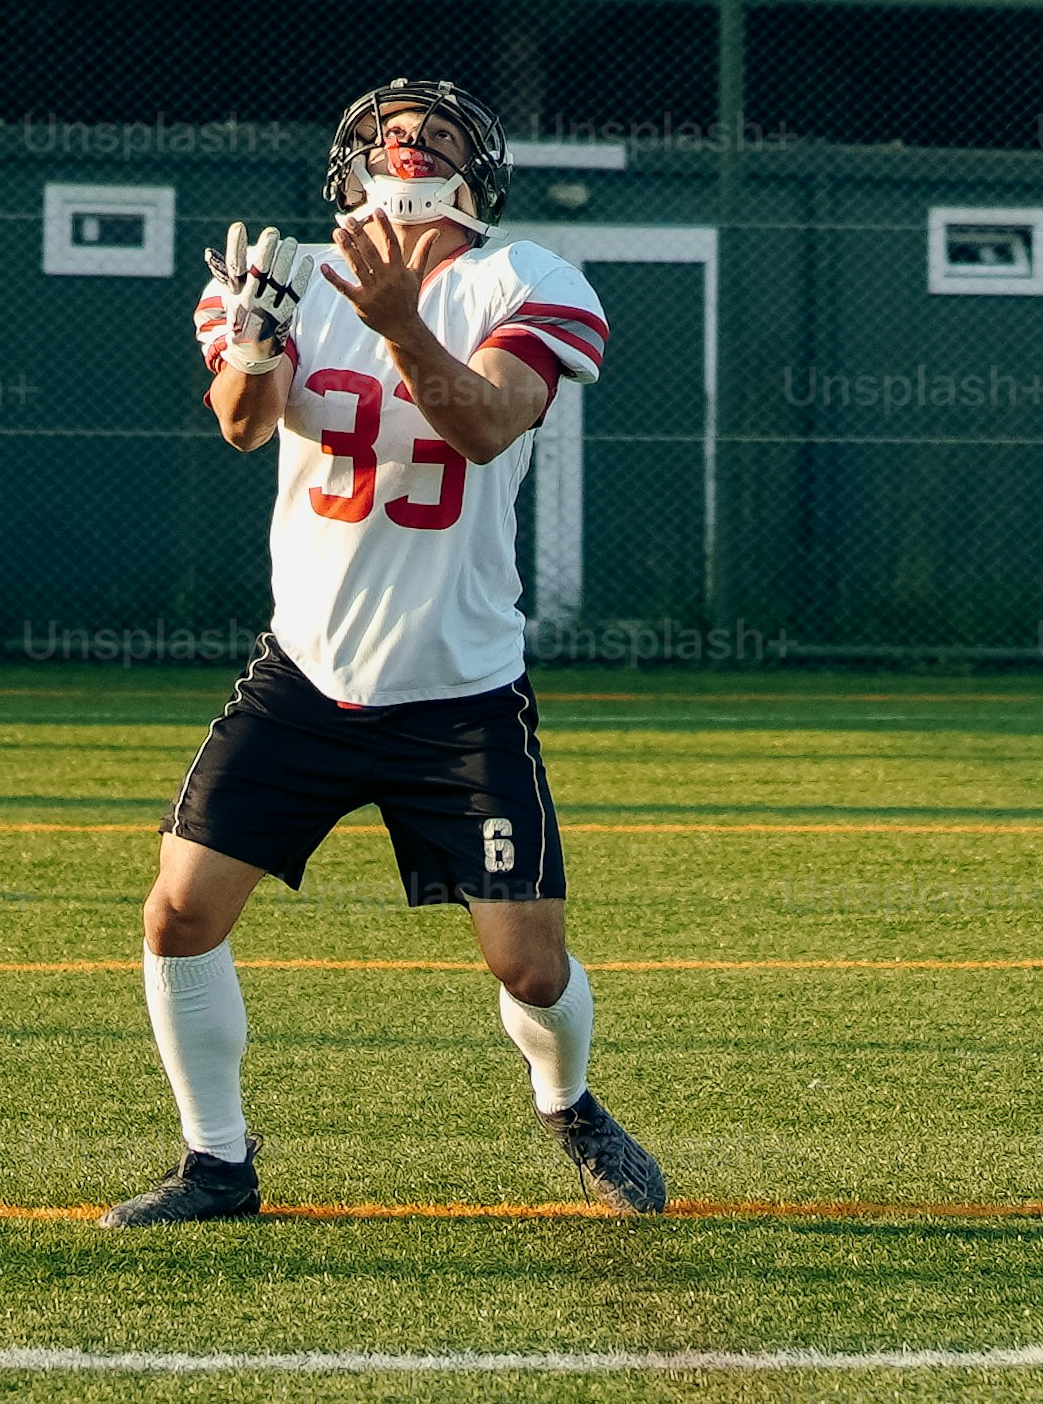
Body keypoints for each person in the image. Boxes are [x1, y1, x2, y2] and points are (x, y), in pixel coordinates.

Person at [101, 78, 664, 1224]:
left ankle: (569, 1104)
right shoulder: (289, 271)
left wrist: (404, 321)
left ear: (477, 171)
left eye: (436, 134)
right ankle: (217, 1162)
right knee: (178, 912)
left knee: (531, 968)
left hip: (459, 692)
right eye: (389, 134)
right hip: (306, 670)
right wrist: (255, 345)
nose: (409, 145)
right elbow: (242, 423)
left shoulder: (529, 280)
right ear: (352, 163)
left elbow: (489, 421)